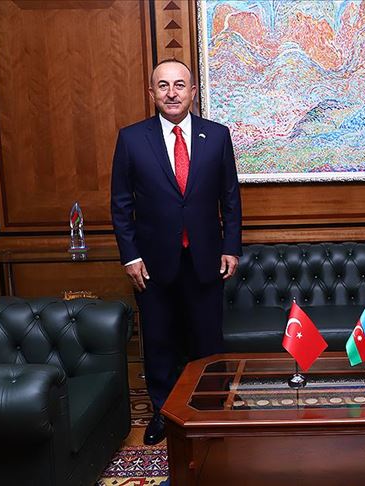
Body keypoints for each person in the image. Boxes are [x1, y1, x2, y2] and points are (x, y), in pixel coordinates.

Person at [110, 59, 242, 445]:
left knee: (207, 342)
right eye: (163, 86)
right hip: (152, 264)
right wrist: (130, 256)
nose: (172, 93)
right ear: (152, 93)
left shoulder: (216, 136)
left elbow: (230, 199)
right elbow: (121, 204)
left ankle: (211, 411)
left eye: (179, 85)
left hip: (206, 259)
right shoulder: (132, 139)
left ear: (193, 92)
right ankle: (164, 415)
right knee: (159, 342)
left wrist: (231, 247)